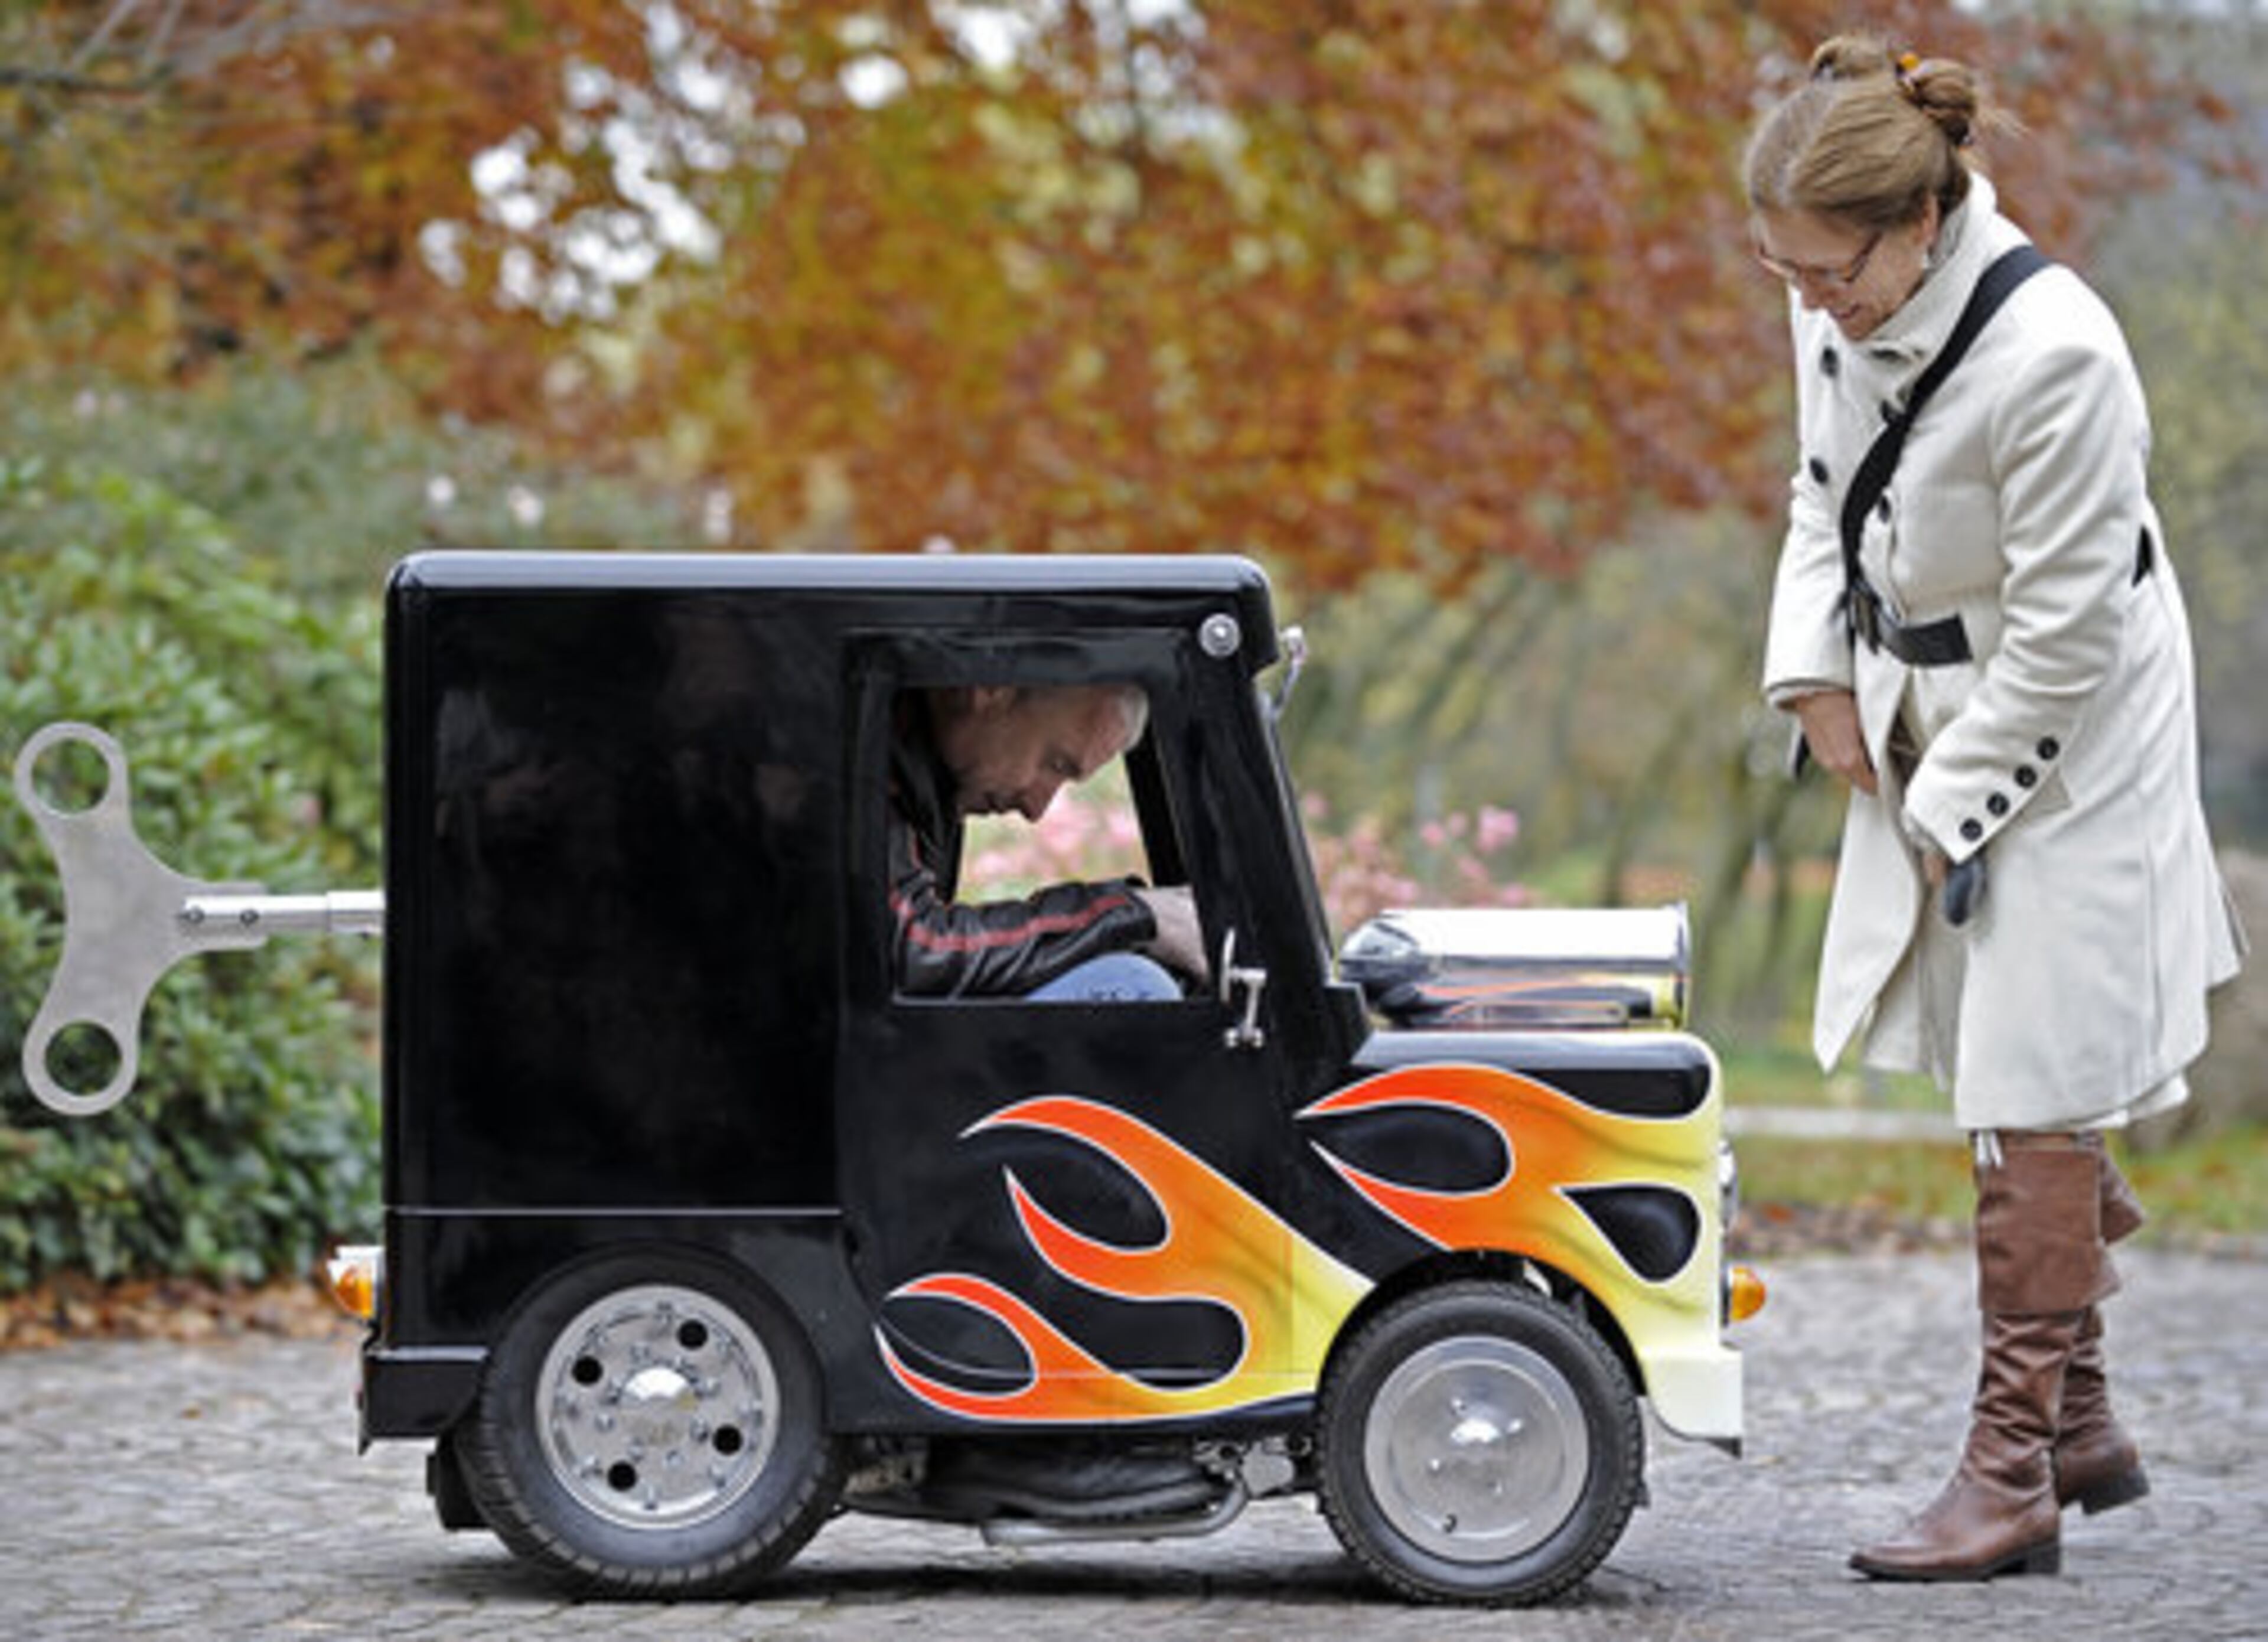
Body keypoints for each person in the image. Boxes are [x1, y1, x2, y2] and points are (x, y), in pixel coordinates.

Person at [1744, 35, 2246, 1583]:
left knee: (2032, 1062)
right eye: (1789, 273)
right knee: (1987, 1031)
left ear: (1919, 225)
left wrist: (1951, 800)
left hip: (2077, 718)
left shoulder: (2062, 362)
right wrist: (1814, 675)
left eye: (1832, 273)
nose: (1811, 300)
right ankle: (2085, 1413)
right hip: (1920, 685)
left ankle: (2015, 1467)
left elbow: (2073, 637)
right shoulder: (1832, 281)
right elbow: (1824, 487)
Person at [889, 680, 1207, 999]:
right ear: (988, 688)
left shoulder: (919, 766)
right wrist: (1129, 915)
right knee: (1134, 986)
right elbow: (905, 954)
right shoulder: (862, 751)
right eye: (1054, 763)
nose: (1035, 810)